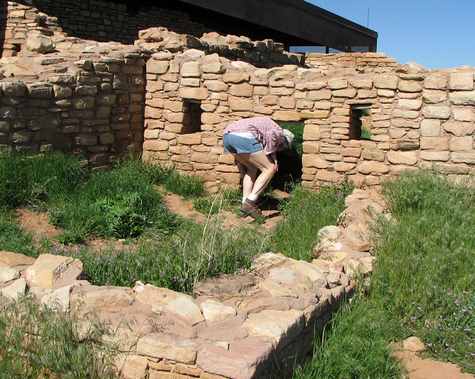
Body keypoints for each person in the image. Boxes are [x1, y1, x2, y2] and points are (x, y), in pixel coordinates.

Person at [223, 116, 294, 218]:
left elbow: (269, 146)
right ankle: (250, 202)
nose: (282, 148)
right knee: (270, 169)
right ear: (285, 139)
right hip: (243, 136)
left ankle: (244, 204)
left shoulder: (267, 126)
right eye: (284, 145)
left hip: (227, 137)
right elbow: (272, 140)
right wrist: (273, 162)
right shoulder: (279, 132)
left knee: (251, 168)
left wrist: (274, 159)